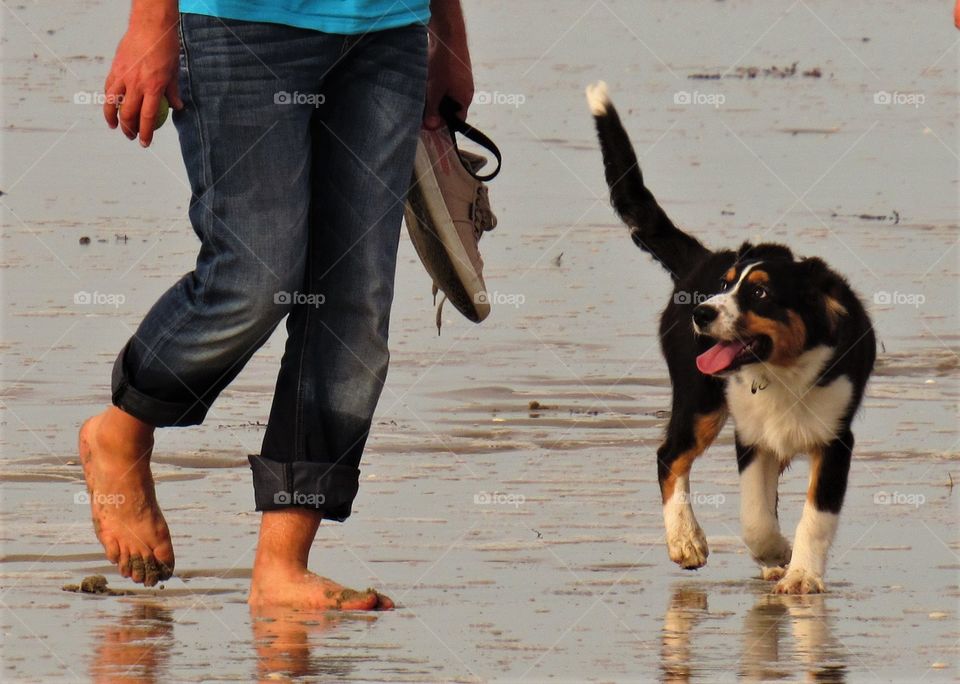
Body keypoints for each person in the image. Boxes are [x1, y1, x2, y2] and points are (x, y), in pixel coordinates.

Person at [80, 0, 473, 610]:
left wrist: (448, 33)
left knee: (355, 307)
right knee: (253, 278)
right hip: (240, 23)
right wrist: (149, 25)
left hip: (389, 27)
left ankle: (282, 568)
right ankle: (122, 430)